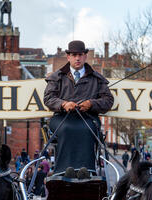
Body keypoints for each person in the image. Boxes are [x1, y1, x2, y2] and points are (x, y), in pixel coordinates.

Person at [44, 40, 114, 176]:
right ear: (68, 56)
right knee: (66, 128)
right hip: (62, 118)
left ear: (85, 56)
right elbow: (48, 98)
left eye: (80, 55)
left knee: (87, 128)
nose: (77, 58)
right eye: (74, 55)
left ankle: (87, 170)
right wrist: (63, 104)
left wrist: (92, 104)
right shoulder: (57, 77)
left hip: (88, 118)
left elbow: (108, 101)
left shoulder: (97, 79)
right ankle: (62, 170)